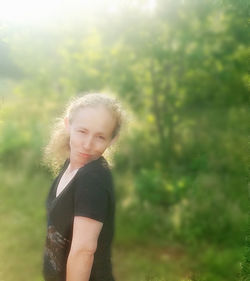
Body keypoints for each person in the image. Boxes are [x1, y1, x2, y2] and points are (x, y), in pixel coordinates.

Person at [42, 93, 123, 281]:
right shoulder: (71, 166)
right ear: (68, 125)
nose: (87, 145)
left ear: (112, 140)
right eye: (82, 131)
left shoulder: (92, 179)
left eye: (100, 137)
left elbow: (83, 251)